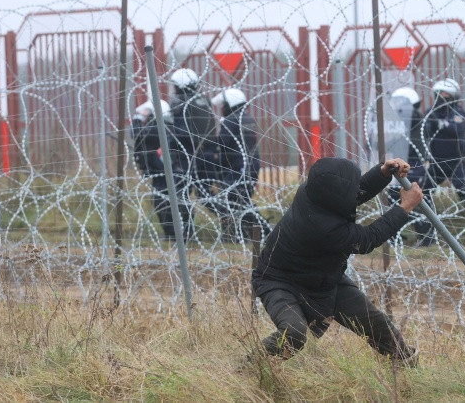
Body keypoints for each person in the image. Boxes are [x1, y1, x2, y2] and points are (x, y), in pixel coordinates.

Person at [251, 157, 423, 366]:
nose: (356, 188)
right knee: (294, 332)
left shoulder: (313, 192)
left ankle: (407, 367)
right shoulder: (324, 227)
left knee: (377, 325)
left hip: (322, 278)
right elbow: (367, 239)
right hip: (279, 281)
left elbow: (353, 192)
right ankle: (249, 368)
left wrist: (382, 172)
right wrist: (404, 208)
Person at [418, 78, 465, 245]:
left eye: (446, 95)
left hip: (456, 162)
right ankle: (427, 235)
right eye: (439, 94)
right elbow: (423, 131)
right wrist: (435, 122)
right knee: (422, 194)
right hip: (436, 163)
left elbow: (457, 128)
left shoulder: (458, 112)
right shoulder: (430, 112)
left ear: (454, 97)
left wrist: (440, 124)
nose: (442, 97)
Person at [212, 88, 271, 242]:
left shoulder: (230, 120)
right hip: (250, 164)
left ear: (230, 104)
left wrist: (212, 155)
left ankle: (237, 235)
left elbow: (222, 144)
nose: (223, 108)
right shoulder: (247, 119)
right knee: (241, 200)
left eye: (224, 105)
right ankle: (260, 231)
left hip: (239, 166)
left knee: (231, 199)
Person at [168, 68, 217, 240]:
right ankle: (235, 223)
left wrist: (169, 146)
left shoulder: (179, 101)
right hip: (206, 155)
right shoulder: (203, 100)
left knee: (181, 195)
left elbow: (180, 132)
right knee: (205, 194)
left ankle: (185, 233)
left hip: (186, 156)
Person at [385, 86, 434, 245]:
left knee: (410, 201)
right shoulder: (406, 119)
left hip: (412, 165)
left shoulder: (411, 118)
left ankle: (424, 237)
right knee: (398, 198)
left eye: (400, 102)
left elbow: (402, 140)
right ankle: (396, 235)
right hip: (405, 164)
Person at [131, 99, 178, 240]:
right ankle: (174, 233)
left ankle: (172, 233)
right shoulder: (167, 126)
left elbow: (136, 134)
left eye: (149, 115)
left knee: (161, 201)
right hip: (163, 170)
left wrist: (138, 119)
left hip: (161, 172)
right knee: (165, 200)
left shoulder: (157, 128)